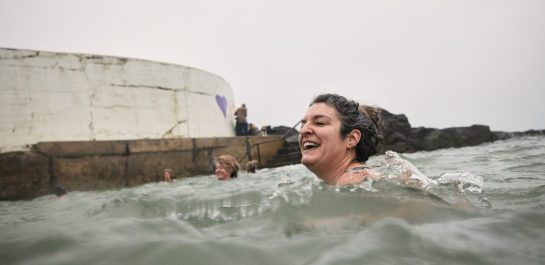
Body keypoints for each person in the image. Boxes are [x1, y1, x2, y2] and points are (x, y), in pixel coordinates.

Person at [299, 93, 384, 185]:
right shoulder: (353, 179)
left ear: (351, 138)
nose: (303, 130)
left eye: (320, 123)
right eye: (302, 125)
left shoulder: (356, 179)